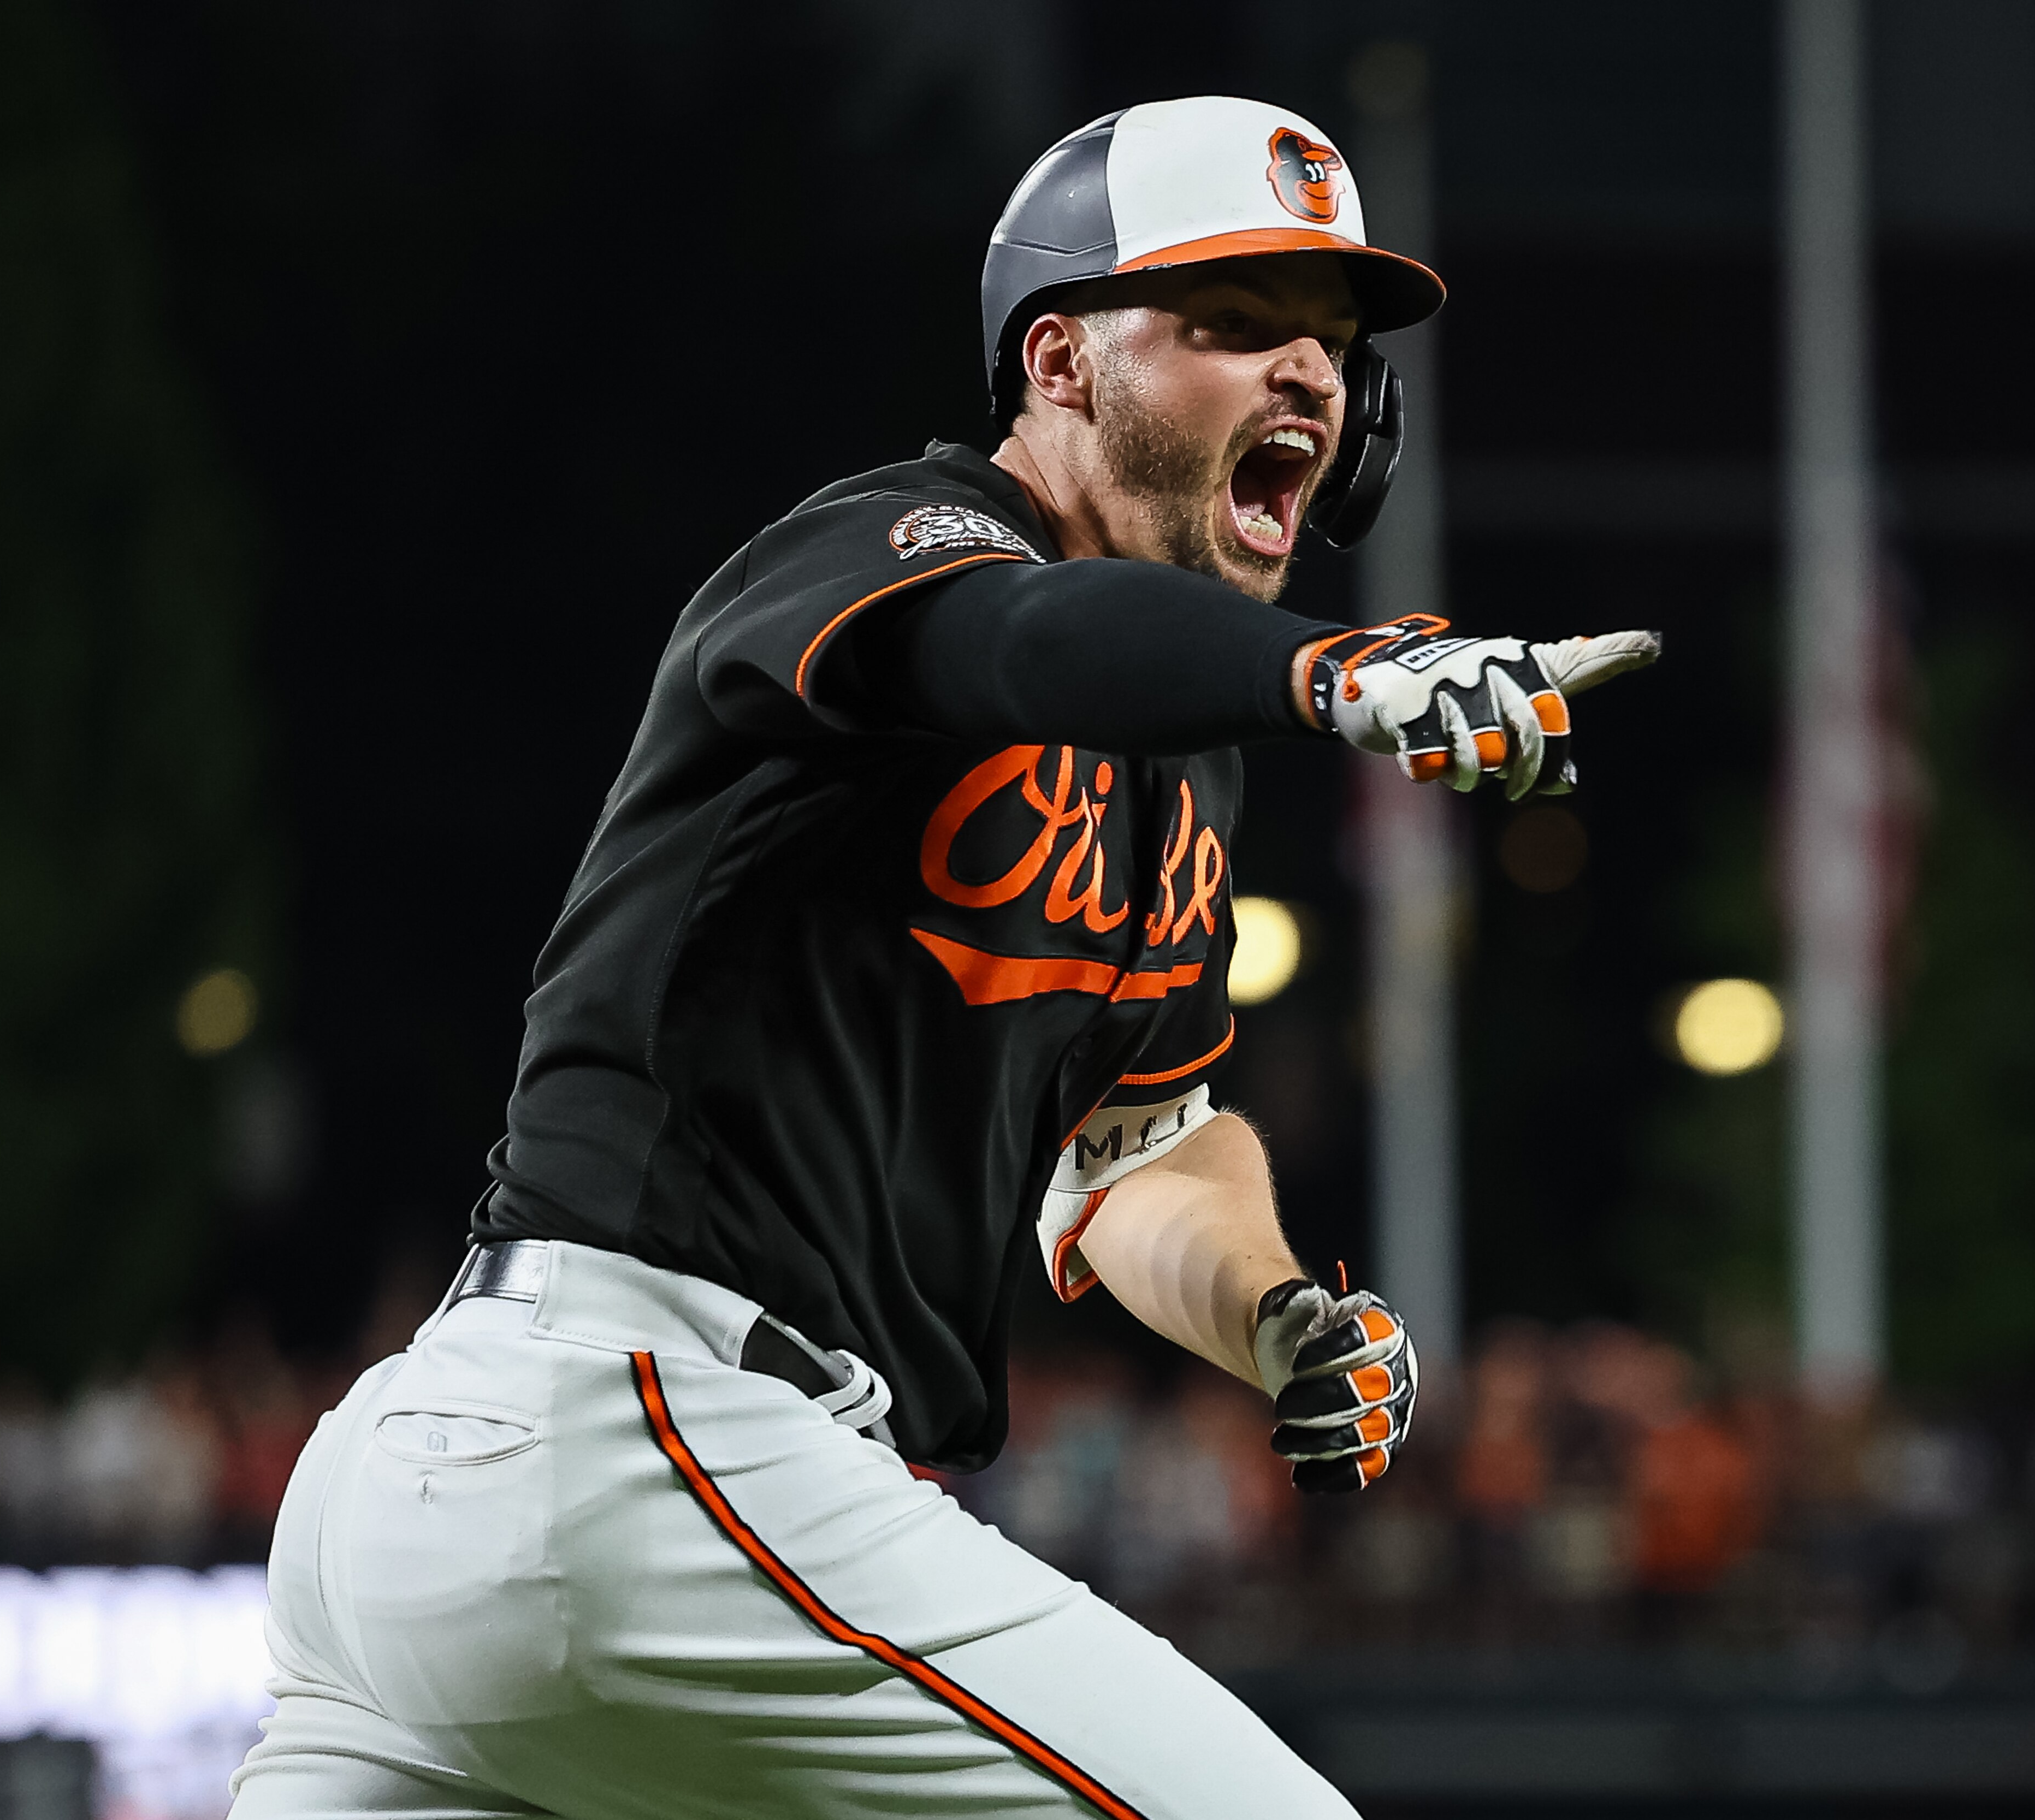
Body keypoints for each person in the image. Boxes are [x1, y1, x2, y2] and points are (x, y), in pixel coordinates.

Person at [228, 96, 1656, 1820]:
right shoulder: (895, 546)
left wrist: (1276, 1315)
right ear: (1058, 362)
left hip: (468, 1501)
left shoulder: (1177, 756)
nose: (1310, 379)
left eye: (1335, 347)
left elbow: (1138, 1151)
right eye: (1232, 323)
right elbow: (1024, 638)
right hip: (639, 1438)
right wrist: (1339, 676)